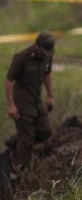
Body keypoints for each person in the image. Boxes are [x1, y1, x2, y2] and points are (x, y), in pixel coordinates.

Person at [4, 32, 56, 172]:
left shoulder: (47, 56)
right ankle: (21, 168)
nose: (45, 54)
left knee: (45, 131)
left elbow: (47, 74)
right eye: (43, 50)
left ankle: (14, 142)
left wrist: (50, 95)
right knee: (27, 139)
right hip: (22, 101)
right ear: (37, 45)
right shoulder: (22, 57)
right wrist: (11, 105)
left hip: (36, 99)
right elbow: (9, 81)